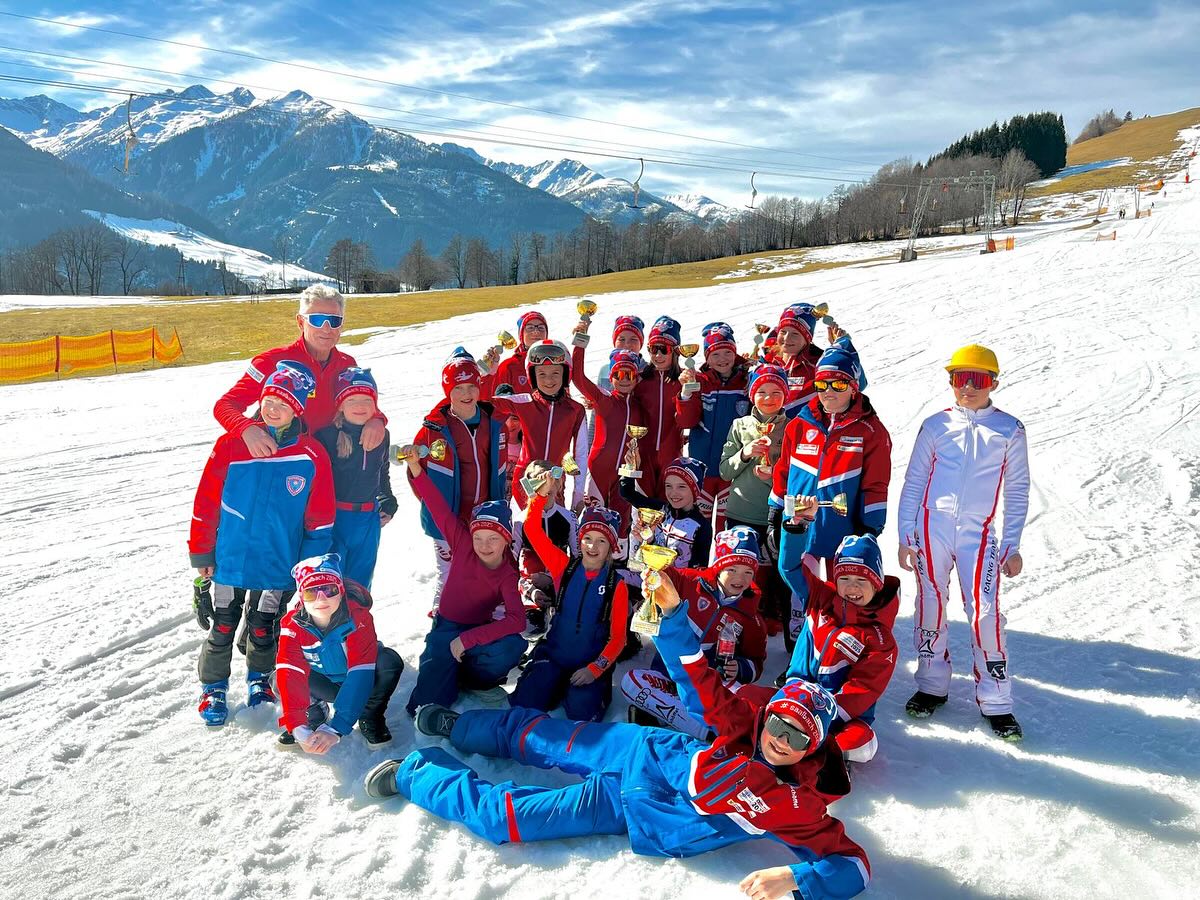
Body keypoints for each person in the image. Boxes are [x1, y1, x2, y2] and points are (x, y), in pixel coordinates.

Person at [364, 568, 870, 900]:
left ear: (813, 747)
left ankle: (418, 773)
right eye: (779, 723)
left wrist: (794, 878)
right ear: (768, 715)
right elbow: (697, 675)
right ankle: (462, 726)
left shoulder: (796, 807)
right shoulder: (742, 721)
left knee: (508, 821)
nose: (781, 740)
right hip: (643, 751)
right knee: (537, 737)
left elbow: (854, 867)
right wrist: (672, 615)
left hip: (628, 807)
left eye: (797, 738)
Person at [188, 361, 335, 726]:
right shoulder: (230, 445)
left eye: (283, 403)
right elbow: (206, 502)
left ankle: (259, 678)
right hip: (229, 558)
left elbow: (319, 521)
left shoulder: (311, 455)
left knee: (263, 623)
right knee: (223, 623)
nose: (272, 408)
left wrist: (308, 570)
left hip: (278, 561)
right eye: (268, 399)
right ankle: (213, 686)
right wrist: (202, 552)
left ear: (297, 410)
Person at [896, 344, 1030, 740]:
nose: (968, 388)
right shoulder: (935, 425)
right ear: (951, 382)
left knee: (985, 611)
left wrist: (1012, 543)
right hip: (931, 528)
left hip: (980, 534)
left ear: (994, 383)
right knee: (931, 603)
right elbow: (914, 480)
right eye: (960, 379)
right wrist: (907, 535)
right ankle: (932, 685)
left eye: (979, 379)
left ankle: (996, 699)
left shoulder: (1009, 428)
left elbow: (1017, 488)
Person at [769, 337, 891, 642]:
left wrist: (869, 527)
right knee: (801, 595)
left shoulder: (870, 431)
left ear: (854, 387)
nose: (828, 393)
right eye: (823, 385)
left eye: (838, 385)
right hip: (801, 525)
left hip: (842, 528)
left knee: (842, 597)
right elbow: (784, 468)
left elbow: (876, 484)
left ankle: (839, 649)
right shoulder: (800, 423)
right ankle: (801, 650)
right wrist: (775, 507)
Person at [401, 447, 527, 716]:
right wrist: (415, 467)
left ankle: (473, 679)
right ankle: (445, 669)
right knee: (426, 706)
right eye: (479, 537)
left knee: (514, 645)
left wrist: (468, 640)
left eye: (493, 538)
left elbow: (518, 620)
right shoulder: (462, 542)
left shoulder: (507, 573)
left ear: (507, 539)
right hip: (446, 627)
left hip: (476, 630)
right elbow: (436, 505)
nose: (484, 545)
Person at [621, 527, 767, 738]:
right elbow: (661, 572)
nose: (740, 578)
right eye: (732, 570)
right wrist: (645, 542)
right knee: (632, 681)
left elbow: (756, 660)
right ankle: (704, 731)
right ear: (718, 567)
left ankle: (666, 715)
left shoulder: (751, 617)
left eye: (748, 572)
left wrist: (742, 668)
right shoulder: (690, 582)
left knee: (743, 697)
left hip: (707, 689)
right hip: (667, 677)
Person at [213, 283, 386, 459]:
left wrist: (377, 420)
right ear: (300, 322)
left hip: (329, 461)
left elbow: (361, 402)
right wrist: (247, 430)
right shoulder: (271, 361)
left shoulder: (347, 364)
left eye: (334, 321)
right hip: (281, 460)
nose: (326, 328)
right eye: (317, 319)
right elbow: (225, 405)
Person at [508, 472, 630, 721]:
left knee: (582, 713)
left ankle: (576, 690)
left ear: (611, 548)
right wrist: (541, 496)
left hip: (588, 664)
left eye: (601, 541)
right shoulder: (565, 567)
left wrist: (595, 669)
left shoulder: (616, 585)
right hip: (554, 655)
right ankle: (551, 682)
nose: (592, 547)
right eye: (587, 539)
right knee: (525, 702)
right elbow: (532, 528)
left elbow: (618, 639)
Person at [782, 529, 899, 764]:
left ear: (876, 583)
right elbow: (790, 568)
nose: (852, 588)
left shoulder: (880, 640)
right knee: (748, 698)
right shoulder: (820, 598)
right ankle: (789, 742)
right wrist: (795, 530)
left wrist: (821, 716)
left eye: (861, 580)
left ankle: (818, 750)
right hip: (797, 696)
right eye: (844, 579)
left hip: (839, 718)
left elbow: (863, 688)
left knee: (861, 744)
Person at [411, 348, 508, 610]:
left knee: (487, 568)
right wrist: (435, 505)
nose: (466, 394)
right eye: (458, 388)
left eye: (471, 386)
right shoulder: (434, 429)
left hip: (484, 514)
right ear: (447, 391)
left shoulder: (494, 422)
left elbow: (499, 465)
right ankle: (441, 622)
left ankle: (488, 618)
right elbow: (415, 471)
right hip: (448, 516)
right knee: (448, 572)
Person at [275, 553, 404, 749]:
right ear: (301, 597)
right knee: (278, 678)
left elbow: (360, 673)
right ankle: (314, 715)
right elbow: (290, 673)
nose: (321, 599)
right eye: (311, 592)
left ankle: (369, 715)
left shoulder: (359, 618)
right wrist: (297, 724)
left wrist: (337, 728)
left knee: (389, 662)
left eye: (329, 589)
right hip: (325, 683)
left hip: (363, 681)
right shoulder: (292, 626)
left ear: (341, 590)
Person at [720, 364, 790, 635]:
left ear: (786, 395)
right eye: (761, 391)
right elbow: (725, 470)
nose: (768, 398)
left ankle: (774, 614)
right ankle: (736, 615)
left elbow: (798, 473)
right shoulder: (740, 426)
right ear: (751, 394)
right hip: (740, 511)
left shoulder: (793, 428)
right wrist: (746, 453)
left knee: (775, 570)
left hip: (775, 512)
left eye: (776, 392)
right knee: (739, 569)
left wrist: (775, 473)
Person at [314, 368, 396, 590]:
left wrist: (387, 498)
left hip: (368, 519)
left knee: (360, 585)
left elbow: (382, 470)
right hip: (335, 519)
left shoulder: (382, 434)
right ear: (340, 404)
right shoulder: (326, 437)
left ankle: (359, 624)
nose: (360, 406)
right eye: (352, 400)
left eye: (366, 399)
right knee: (330, 583)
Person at [488, 340, 588, 510]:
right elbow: (485, 401)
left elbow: (581, 453)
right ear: (532, 376)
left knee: (554, 532)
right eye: (541, 374)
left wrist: (578, 494)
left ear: (565, 374)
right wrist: (487, 372)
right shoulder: (524, 402)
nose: (549, 380)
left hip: (555, 483)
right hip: (525, 482)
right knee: (526, 531)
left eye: (555, 373)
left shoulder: (575, 410)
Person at [677, 322, 752, 532]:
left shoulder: (745, 382)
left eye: (727, 352)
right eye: (715, 354)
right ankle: (696, 566)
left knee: (726, 530)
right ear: (707, 358)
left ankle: (724, 564)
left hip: (733, 470)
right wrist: (686, 394)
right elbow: (686, 422)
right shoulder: (699, 381)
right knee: (696, 529)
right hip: (702, 469)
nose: (722, 359)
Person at [570, 326, 647, 528]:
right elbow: (577, 378)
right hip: (599, 471)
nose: (623, 380)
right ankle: (587, 558)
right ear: (610, 378)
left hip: (626, 473)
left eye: (629, 375)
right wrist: (580, 342)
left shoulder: (640, 404)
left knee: (621, 524)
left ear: (637, 378)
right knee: (593, 521)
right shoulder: (604, 398)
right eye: (618, 375)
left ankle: (619, 560)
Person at [619, 449, 711, 570]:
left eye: (681, 487)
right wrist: (630, 466)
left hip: (676, 586)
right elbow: (627, 492)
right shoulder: (660, 509)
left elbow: (699, 569)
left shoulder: (702, 526)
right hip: (649, 579)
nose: (673, 493)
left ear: (695, 490)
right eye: (669, 486)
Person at [633, 316, 686, 497]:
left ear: (676, 351)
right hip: (642, 455)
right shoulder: (640, 380)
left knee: (667, 508)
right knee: (642, 511)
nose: (658, 355)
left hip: (671, 453)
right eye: (653, 349)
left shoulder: (684, 381)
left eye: (664, 349)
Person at [767, 303, 826, 419]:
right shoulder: (768, 363)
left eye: (795, 334)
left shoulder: (817, 364)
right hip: (772, 433)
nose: (787, 338)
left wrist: (842, 350)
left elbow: (857, 385)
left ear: (807, 338)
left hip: (806, 432)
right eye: (783, 332)